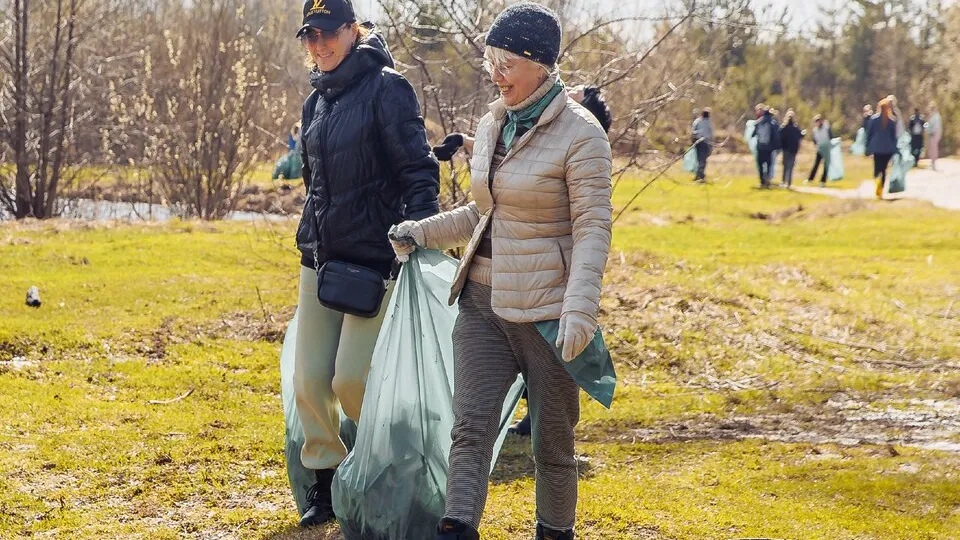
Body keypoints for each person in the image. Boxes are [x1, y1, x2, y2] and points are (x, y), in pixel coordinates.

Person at [390, 4, 612, 539]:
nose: (496, 73)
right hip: (482, 307)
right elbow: (483, 212)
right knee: (468, 431)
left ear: (540, 64)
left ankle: (554, 532)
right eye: (491, 60)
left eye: (507, 61)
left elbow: (592, 230)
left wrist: (580, 308)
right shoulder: (494, 124)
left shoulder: (582, 136)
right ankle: (457, 528)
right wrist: (422, 230)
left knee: (552, 447)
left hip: (547, 315)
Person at [292, 0, 440, 527]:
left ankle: (399, 466)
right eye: (310, 36)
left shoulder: (388, 88)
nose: (319, 45)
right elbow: (317, 183)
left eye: (329, 33)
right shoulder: (316, 101)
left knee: (351, 380)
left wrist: (418, 237)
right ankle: (327, 484)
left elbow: (419, 172)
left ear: (354, 30)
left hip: (376, 260)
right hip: (320, 258)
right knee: (309, 381)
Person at [432, 84, 613, 161]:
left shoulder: (569, 152)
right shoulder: (545, 130)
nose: (567, 91)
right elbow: (507, 152)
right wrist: (462, 140)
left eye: (573, 91)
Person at [866, 97, 899, 199]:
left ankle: (877, 187)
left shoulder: (873, 120)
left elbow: (869, 134)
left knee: (877, 169)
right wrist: (895, 149)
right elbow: (894, 137)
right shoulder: (891, 121)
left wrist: (867, 146)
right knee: (884, 170)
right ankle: (880, 191)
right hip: (887, 149)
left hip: (877, 148)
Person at [752, 107, 780, 188]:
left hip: (760, 148)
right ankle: (767, 180)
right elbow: (776, 136)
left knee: (760, 165)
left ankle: (762, 181)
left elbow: (753, 134)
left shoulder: (758, 122)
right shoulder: (773, 123)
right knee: (768, 165)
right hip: (769, 149)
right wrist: (776, 146)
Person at [778, 109, 803, 188]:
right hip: (793, 150)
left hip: (785, 149)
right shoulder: (796, 128)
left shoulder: (784, 127)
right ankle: (789, 183)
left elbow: (779, 136)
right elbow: (800, 136)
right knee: (790, 166)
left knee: (785, 166)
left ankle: (783, 181)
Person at [807, 115, 833, 186]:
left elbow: (831, 136)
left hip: (826, 148)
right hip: (820, 148)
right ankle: (810, 179)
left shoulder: (826, 128)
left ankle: (823, 181)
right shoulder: (815, 130)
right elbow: (814, 140)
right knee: (816, 164)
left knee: (826, 165)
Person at [692, 108, 714, 183]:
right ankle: (700, 175)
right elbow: (711, 134)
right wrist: (712, 144)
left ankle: (699, 175)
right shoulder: (709, 123)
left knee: (699, 159)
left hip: (697, 142)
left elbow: (693, 132)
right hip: (705, 142)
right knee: (703, 160)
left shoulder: (697, 121)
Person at [928, 103, 942, 171]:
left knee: (934, 148)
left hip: (934, 134)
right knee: (932, 148)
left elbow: (936, 126)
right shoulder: (933, 116)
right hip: (932, 134)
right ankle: (932, 162)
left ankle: (933, 163)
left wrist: (933, 132)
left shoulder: (936, 116)